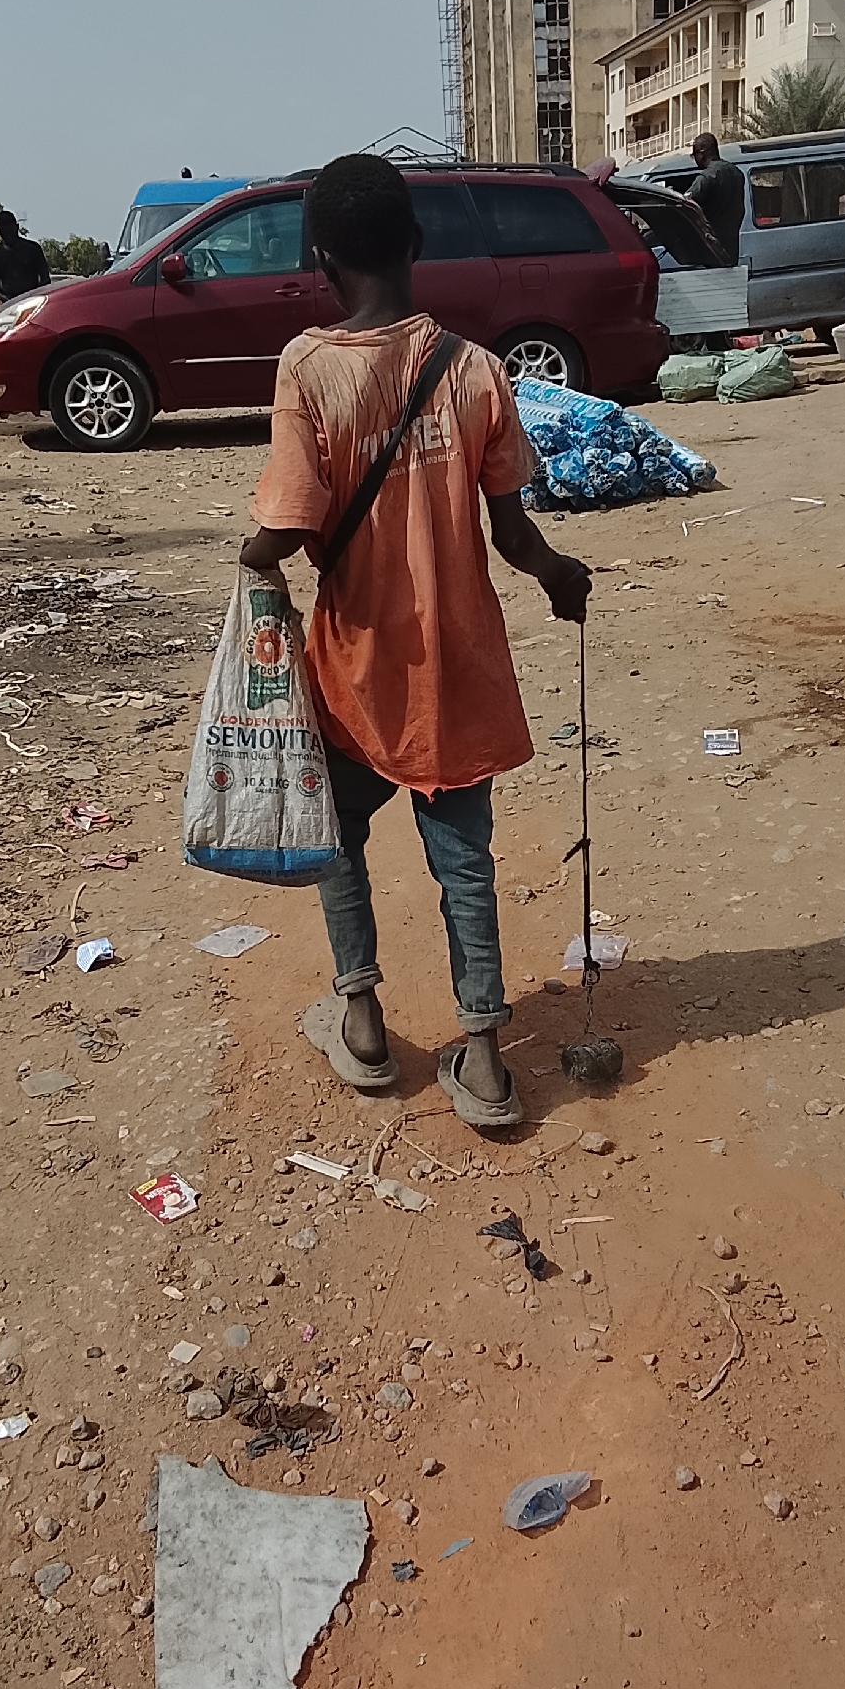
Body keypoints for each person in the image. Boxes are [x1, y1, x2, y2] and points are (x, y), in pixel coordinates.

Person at [240, 153, 591, 1127]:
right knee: (464, 862)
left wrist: (250, 556)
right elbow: (512, 533)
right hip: (456, 674)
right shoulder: (476, 369)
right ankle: (484, 1058)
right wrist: (560, 576)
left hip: (355, 675)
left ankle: (361, 1019)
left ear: (321, 260)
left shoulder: (308, 369)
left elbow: (289, 523)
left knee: (337, 838)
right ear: (417, 243)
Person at [685, 132, 745, 269]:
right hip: (731, 249)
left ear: (702, 153)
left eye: (694, 155)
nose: (695, 159)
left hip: (712, 251)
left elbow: (686, 204)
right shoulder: (736, 172)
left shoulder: (706, 178)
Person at [0, 210, 51, 306]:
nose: (7, 233)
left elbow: (45, 278)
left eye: (10, 229)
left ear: (16, 227)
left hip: (33, 302)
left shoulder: (33, 249)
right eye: (4, 229)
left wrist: (35, 297)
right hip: (10, 304)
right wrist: (7, 300)